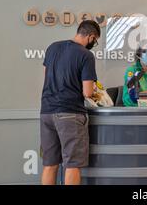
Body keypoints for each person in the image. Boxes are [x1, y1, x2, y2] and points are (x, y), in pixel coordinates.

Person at [40, 20, 100, 185]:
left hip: (46, 112)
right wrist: (96, 92)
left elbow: (46, 77)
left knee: (50, 164)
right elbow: (87, 92)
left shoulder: (53, 47)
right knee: (72, 165)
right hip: (70, 113)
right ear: (91, 37)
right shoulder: (86, 55)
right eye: (95, 40)